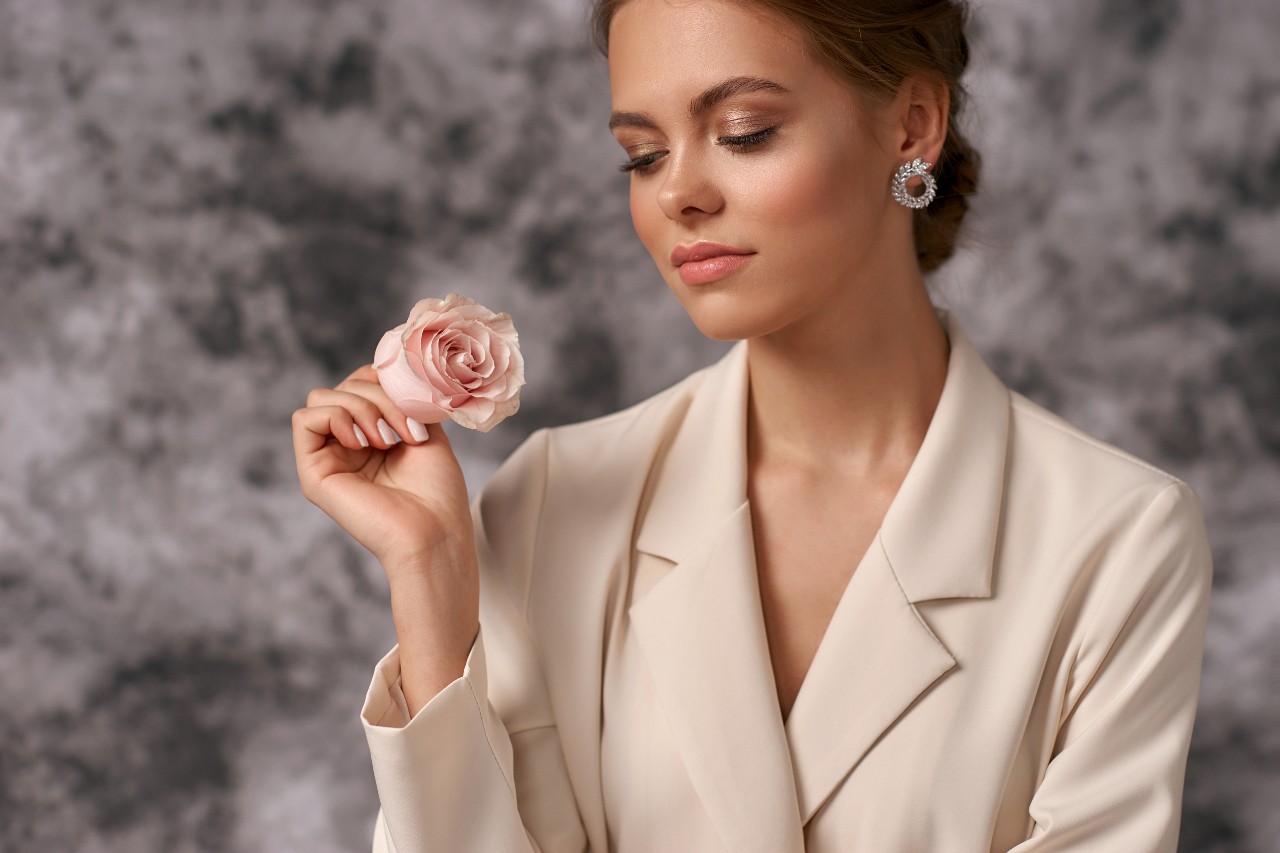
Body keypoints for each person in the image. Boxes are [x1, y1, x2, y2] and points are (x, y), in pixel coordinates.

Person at [291, 0, 1213, 850]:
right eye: (643, 154)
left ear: (911, 125)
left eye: (745, 131)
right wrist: (429, 576)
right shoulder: (550, 501)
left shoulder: (1118, 537)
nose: (677, 193)